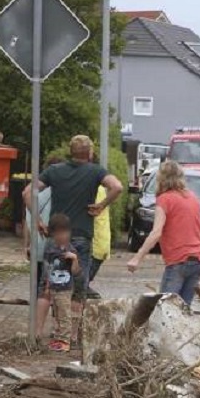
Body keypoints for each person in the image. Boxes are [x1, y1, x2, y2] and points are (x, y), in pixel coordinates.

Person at [23, 135, 123, 330]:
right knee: (78, 289)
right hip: (81, 238)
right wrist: (102, 205)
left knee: (47, 287)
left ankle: (36, 334)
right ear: (90, 153)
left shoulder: (54, 171)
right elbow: (117, 187)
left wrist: (38, 221)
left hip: (54, 237)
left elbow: (27, 193)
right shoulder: (96, 172)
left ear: (70, 152)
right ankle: (71, 334)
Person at [126, 161, 200, 305]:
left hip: (178, 260)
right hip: (199, 260)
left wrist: (137, 258)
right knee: (184, 309)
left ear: (161, 178)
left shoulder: (164, 199)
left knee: (166, 308)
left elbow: (156, 232)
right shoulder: (193, 198)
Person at [23, 156, 64, 339]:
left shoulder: (32, 195)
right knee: (57, 287)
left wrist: (27, 245)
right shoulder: (58, 193)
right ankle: (57, 327)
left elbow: (27, 222)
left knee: (39, 289)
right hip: (52, 246)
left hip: (36, 247)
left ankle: (35, 327)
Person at [40, 214, 81, 352]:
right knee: (57, 314)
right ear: (52, 234)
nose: (61, 236)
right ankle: (58, 337)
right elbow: (47, 269)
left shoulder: (71, 250)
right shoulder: (50, 250)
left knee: (64, 314)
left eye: (64, 233)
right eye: (58, 233)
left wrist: (74, 259)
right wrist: (47, 287)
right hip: (53, 287)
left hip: (65, 288)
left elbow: (76, 272)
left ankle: (65, 340)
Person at [87, 184, 110, 299]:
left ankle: (84, 284)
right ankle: (83, 285)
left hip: (100, 231)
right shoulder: (94, 188)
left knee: (100, 254)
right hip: (96, 232)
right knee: (96, 256)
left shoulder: (99, 189)